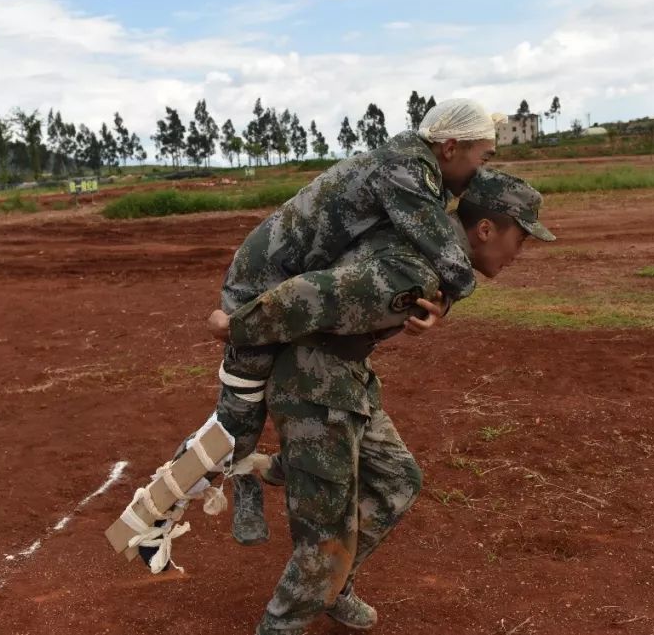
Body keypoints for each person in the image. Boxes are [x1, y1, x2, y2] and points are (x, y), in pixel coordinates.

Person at [208, 169, 556, 635]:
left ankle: (333, 580)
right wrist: (231, 328)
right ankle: (281, 625)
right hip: (314, 386)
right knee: (325, 538)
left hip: (348, 379)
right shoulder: (416, 265)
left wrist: (442, 305)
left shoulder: (437, 255)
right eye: (521, 238)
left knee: (397, 481)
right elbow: (307, 297)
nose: (519, 253)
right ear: (486, 229)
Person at [205, 99, 498, 545]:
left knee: (277, 396)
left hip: (299, 286)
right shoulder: (404, 170)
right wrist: (445, 297)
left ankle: (265, 471)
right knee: (238, 416)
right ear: (452, 147)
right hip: (261, 284)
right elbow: (452, 262)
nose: (482, 170)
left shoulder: (422, 176)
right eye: (484, 156)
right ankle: (226, 486)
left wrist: (432, 302)